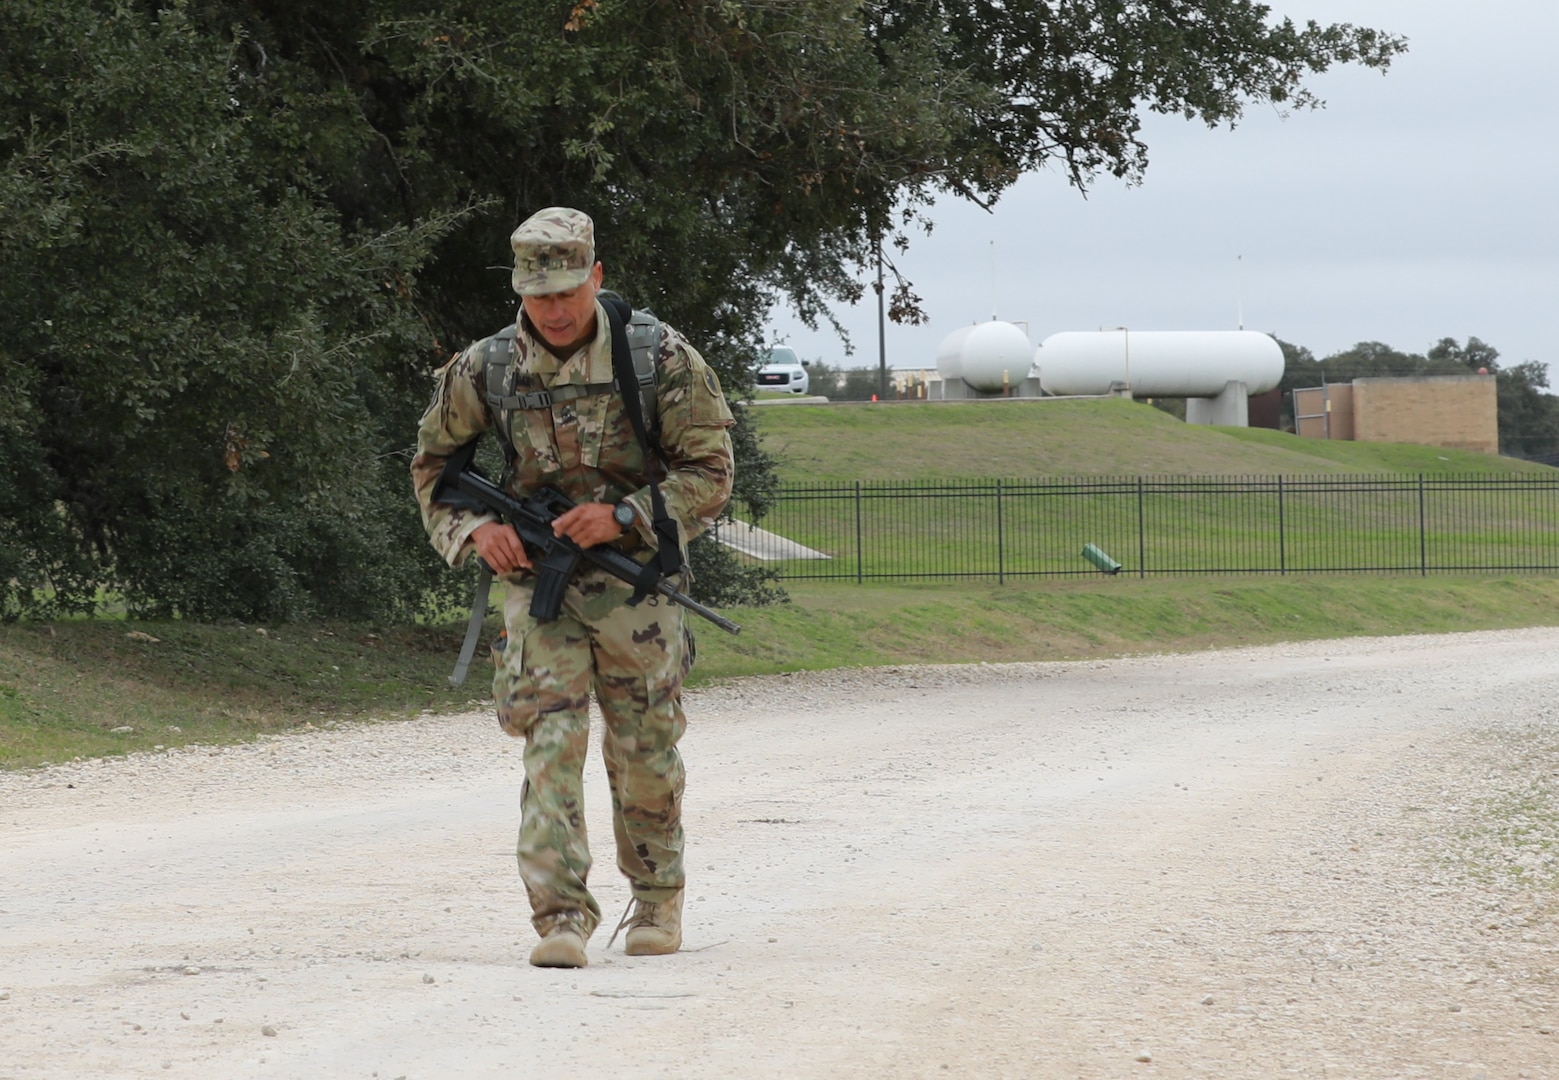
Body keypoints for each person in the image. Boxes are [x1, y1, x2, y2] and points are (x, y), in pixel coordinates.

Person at [410, 207, 735, 968]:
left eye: (565, 292)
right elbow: (433, 468)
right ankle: (560, 917)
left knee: (644, 746)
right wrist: (473, 535)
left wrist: (624, 513)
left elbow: (712, 474)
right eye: (536, 296)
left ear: (595, 277)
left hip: (636, 585)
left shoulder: (659, 358)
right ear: (518, 290)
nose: (553, 310)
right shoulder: (486, 367)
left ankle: (656, 904)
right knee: (549, 742)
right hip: (535, 578)